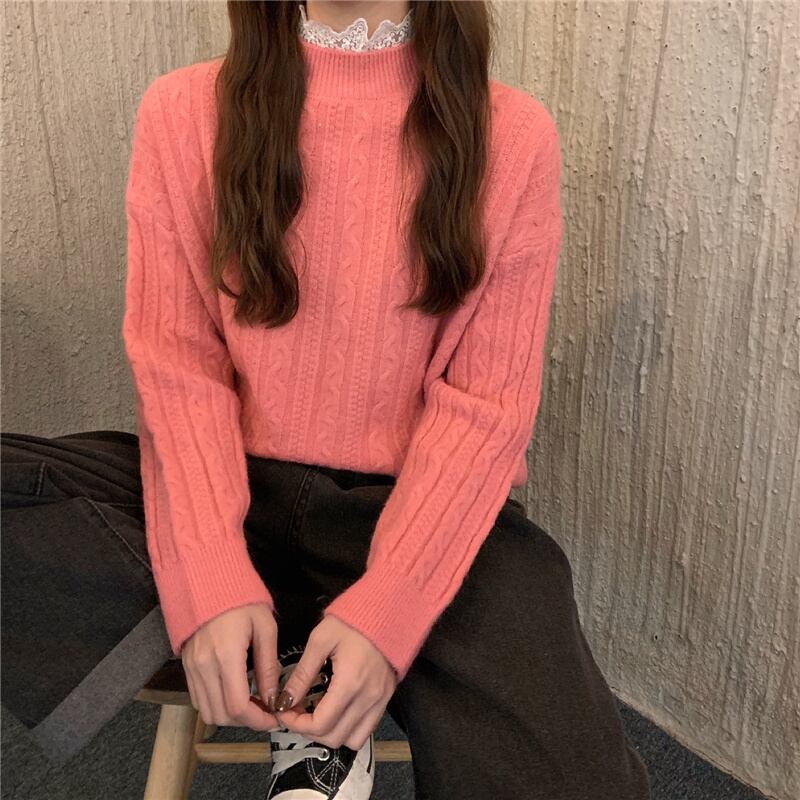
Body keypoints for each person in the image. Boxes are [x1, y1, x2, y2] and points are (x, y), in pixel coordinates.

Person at [1, 2, 651, 798]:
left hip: (409, 505)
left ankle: (304, 675)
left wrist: (387, 610)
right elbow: (178, 368)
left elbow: (485, 409)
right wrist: (207, 572)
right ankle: (299, 675)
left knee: (571, 775)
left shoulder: (512, 135)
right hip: (229, 486)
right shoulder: (182, 110)